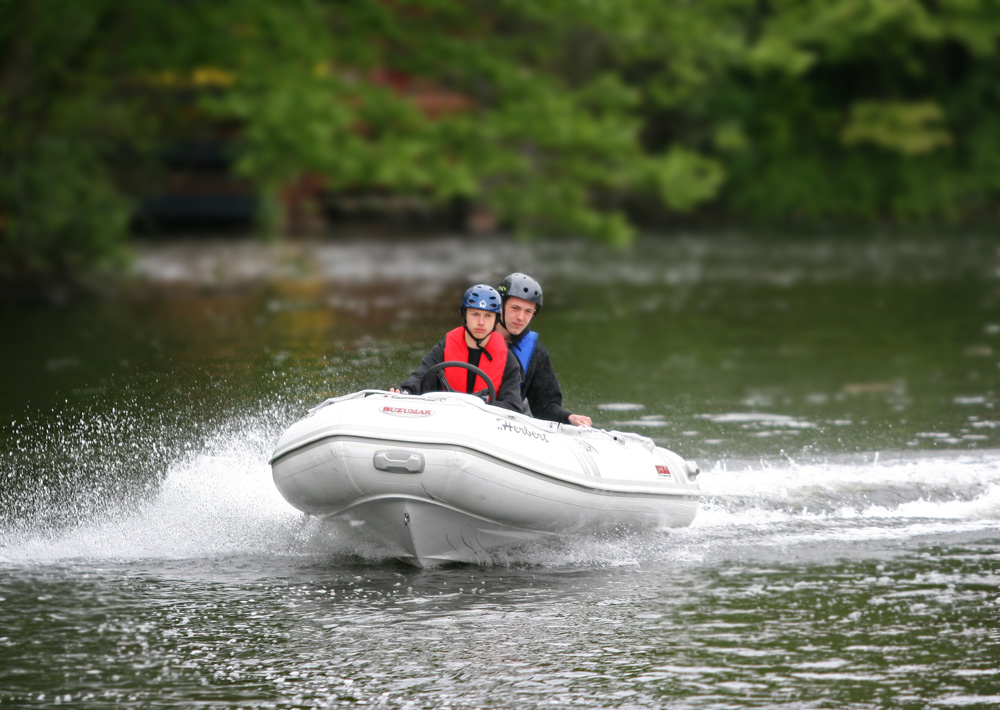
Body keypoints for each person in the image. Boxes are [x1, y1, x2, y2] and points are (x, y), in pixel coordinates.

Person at [390, 284, 525, 412]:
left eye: (488, 316)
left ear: (496, 319)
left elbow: (512, 406)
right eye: (475, 314)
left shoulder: (508, 360)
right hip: (445, 417)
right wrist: (404, 391)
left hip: (484, 425)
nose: (481, 322)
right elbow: (421, 376)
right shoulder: (443, 348)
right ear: (464, 315)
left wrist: (472, 405)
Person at [496, 272, 593, 427]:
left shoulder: (537, 354)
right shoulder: (474, 338)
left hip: (509, 424)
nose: (521, 317)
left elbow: (545, 406)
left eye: (528, 311)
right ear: (500, 306)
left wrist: (568, 417)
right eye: (515, 308)